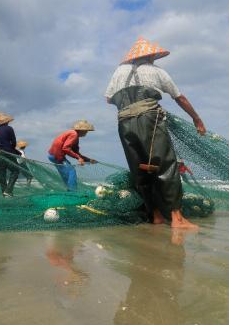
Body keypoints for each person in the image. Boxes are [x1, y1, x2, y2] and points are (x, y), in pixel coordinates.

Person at [105, 37, 206, 229]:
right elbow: (179, 97)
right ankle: (177, 219)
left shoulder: (119, 71)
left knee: (140, 169)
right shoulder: (156, 71)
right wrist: (196, 119)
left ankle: (156, 216)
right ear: (151, 55)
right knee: (165, 166)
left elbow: (109, 99)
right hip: (150, 120)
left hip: (124, 123)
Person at [48, 120, 97, 191]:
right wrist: (78, 158)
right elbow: (65, 148)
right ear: (81, 130)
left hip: (53, 155)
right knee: (71, 171)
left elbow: (76, 152)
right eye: (86, 130)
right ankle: (73, 193)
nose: (87, 132)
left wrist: (88, 160)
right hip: (57, 156)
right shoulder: (74, 134)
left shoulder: (74, 135)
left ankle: (69, 191)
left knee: (66, 174)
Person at [0, 112, 21, 197]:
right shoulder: (9, 128)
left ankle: (5, 195)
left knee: (2, 176)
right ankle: (8, 191)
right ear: (7, 121)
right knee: (16, 170)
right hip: (6, 154)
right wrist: (14, 152)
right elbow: (14, 143)